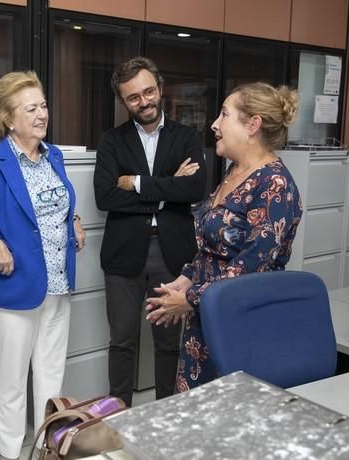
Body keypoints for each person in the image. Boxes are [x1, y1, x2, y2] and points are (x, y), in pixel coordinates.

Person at [0, 71, 86, 460]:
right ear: (8, 119)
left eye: (43, 105)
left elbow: (57, 203)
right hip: (11, 291)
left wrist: (72, 218)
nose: (42, 114)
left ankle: (47, 451)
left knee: (51, 380)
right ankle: (10, 453)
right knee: (11, 386)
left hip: (58, 286)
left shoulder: (54, 155)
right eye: (31, 109)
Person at [145, 82, 303, 393]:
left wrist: (189, 299)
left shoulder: (275, 186)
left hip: (241, 326)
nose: (214, 125)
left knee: (227, 424)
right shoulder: (234, 172)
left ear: (252, 125)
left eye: (224, 115)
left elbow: (250, 268)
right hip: (205, 320)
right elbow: (210, 247)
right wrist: (187, 278)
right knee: (195, 418)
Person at [93, 56, 207, 404]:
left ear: (159, 88)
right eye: (133, 97)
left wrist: (138, 183)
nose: (144, 102)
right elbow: (105, 196)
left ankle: (165, 416)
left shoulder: (186, 137)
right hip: (124, 254)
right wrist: (166, 189)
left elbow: (195, 190)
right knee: (122, 341)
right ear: (124, 102)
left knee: (169, 344)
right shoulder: (112, 141)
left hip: (171, 251)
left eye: (148, 91)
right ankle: (116, 415)